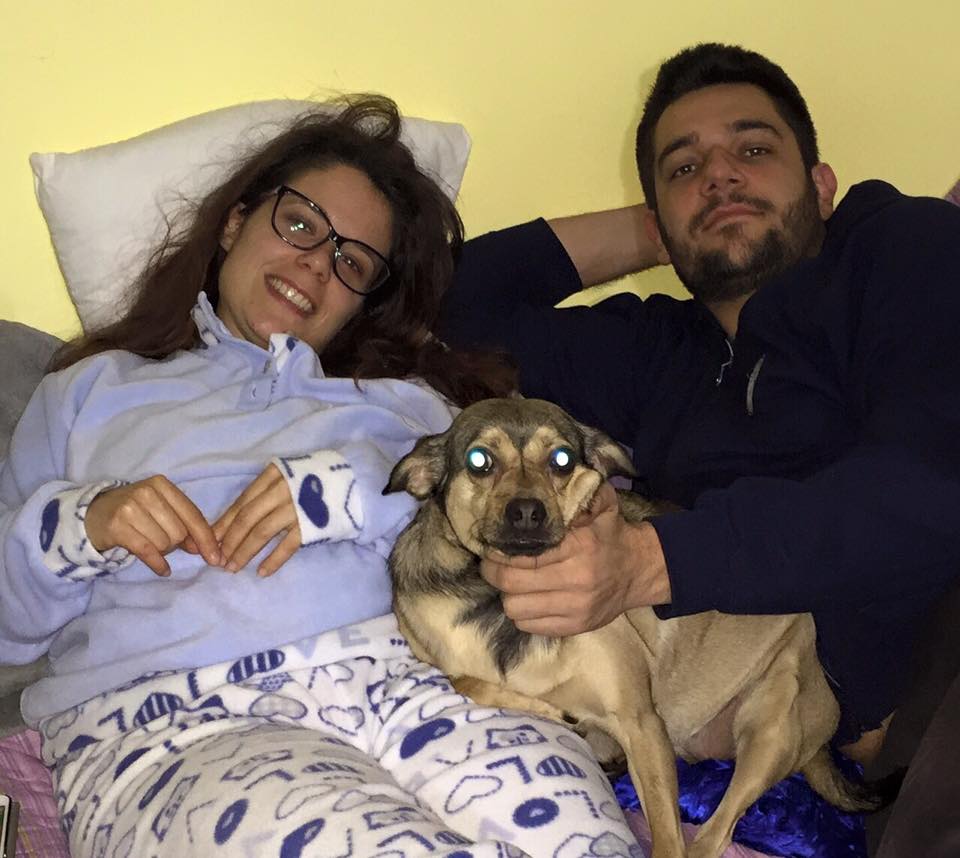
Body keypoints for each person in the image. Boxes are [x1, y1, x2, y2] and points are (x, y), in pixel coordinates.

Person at [0, 96, 648, 858]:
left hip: (424, 687)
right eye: (301, 224)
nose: (317, 263)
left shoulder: (408, 406)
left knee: (587, 841)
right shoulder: (89, 392)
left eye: (352, 262)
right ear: (235, 222)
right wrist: (84, 524)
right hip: (180, 724)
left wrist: (352, 489)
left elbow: (513, 509)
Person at [439, 42, 960, 771]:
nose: (720, 175)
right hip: (801, 739)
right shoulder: (655, 351)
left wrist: (653, 561)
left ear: (822, 188)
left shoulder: (903, 249)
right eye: (685, 169)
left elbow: (930, 484)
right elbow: (442, 308)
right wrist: (657, 230)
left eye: (753, 150)